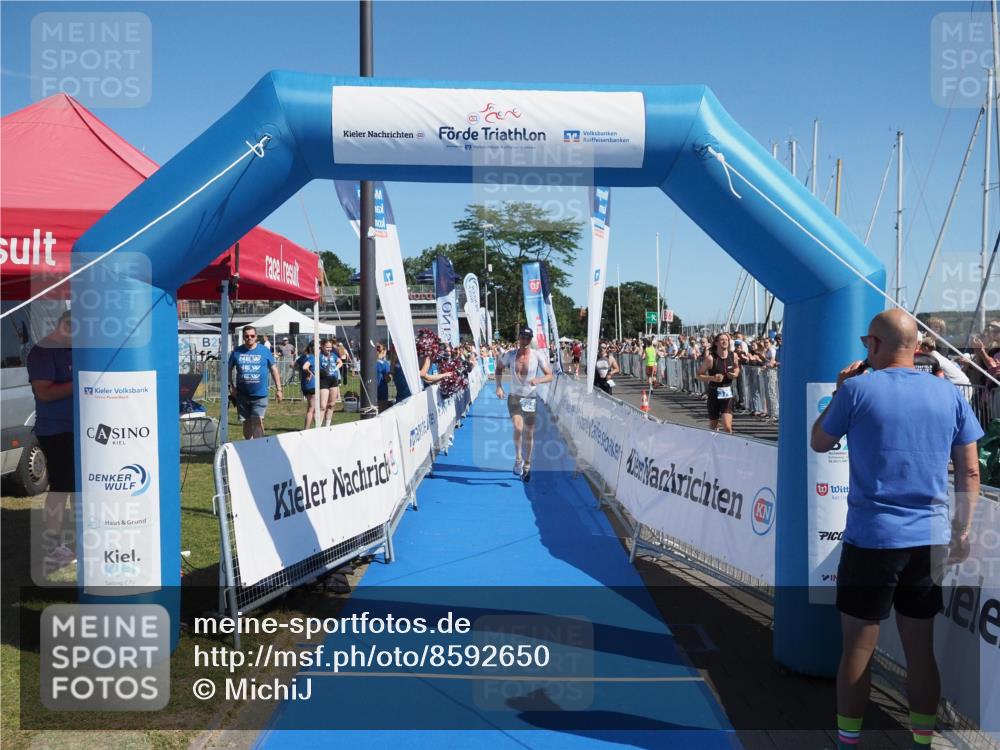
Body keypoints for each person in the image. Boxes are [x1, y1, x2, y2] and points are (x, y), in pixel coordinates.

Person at [810, 309, 982, 750]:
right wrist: (961, 532)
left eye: (867, 343)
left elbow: (819, 441)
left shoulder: (857, 390)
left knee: (858, 648)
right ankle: (921, 742)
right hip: (929, 538)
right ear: (918, 347)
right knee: (919, 648)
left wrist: (838, 391)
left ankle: (849, 741)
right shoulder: (949, 394)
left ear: (874, 345)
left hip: (872, 538)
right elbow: (969, 473)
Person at [26, 310, 76, 565]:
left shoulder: (71, 350)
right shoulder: (43, 352)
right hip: (56, 431)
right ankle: (54, 545)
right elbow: (44, 393)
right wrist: (81, 381)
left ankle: (80, 540)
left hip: (80, 429)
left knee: (78, 488)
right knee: (62, 487)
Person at [494, 326, 554, 482]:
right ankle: (518, 459)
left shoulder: (537, 356)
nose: (525, 341)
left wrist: (538, 380)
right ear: (519, 338)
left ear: (530, 340)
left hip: (529, 398)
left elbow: (550, 376)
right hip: (514, 396)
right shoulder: (510, 355)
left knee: (529, 432)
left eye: (528, 338)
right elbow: (498, 368)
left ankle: (527, 465)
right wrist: (499, 386)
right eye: (523, 337)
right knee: (518, 427)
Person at [228, 325, 283, 439]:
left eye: (252, 336)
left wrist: (279, 389)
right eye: (247, 336)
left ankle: (259, 448)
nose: (249, 338)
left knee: (257, 421)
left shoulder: (264, 351)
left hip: (260, 395)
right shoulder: (237, 351)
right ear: (243, 337)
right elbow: (228, 369)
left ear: (256, 336)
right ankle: (249, 446)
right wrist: (231, 387)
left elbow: (274, 370)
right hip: (242, 395)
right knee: (246, 423)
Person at [696, 332, 740, 433]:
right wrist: (712, 378)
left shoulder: (733, 356)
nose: (725, 341)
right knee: (713, 425)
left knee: (727, 426)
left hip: (727, 393)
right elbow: (698, 375)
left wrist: (735, 374)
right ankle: (714, 447)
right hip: (714, 393)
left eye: (727, 340)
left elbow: (737, 368)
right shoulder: (711, 358)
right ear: (716, 343)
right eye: (722, 340)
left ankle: (729, 446)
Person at [318, 339, 341, 427]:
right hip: (323, 380)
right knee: (323, 406)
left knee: (331, 404)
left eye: (330, 347)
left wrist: (335, 368)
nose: (329, 349)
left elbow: (340, 362)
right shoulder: (319, 356)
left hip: (333, 380)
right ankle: (318, 426)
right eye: (327, 347)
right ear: (322, 347)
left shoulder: (333, 355)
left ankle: (327, 425)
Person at [296, 342, 317, 429]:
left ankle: (319, 428)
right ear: (312, 348)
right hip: (312, 385)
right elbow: (305, 367)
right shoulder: (312, 357)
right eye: (317, 347)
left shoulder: (303, 357)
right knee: (311, 409)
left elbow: (293, 365)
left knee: (315, 409)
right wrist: (309, 373)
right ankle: (306, 429)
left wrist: (302, 372)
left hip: (305, 385)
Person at [375, 343, 392, 412]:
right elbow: (387, 379)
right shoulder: (385, 364)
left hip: (370, 389)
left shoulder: (368, 362)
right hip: (381, 389)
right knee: (382, 411)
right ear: (383, 351)